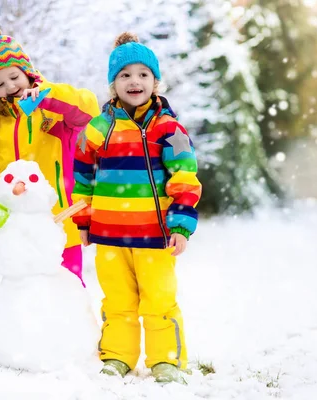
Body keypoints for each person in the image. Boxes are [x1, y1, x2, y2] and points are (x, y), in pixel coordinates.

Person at [72, 32, 202, 384]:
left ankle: (166, 360)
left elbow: (184, 176)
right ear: (113, 85)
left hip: (154, 236)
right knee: (117, 300)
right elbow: (81, 176)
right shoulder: (98, 129)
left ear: (155, 82)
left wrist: (180, 225)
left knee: (159, 299)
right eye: (125, 74)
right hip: (110, 236)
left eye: (143, 74)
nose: (135, 81)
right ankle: (117, 356)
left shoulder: (169, 129)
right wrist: (83, 221)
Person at [0, 23, 99, 284]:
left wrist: (47, 96)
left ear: (27, 72)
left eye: (14, 77)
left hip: (60, 224)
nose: (10, 86)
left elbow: (89, 110)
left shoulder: (53, 108)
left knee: (68, 293)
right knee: (24, 300)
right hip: (15, 230)